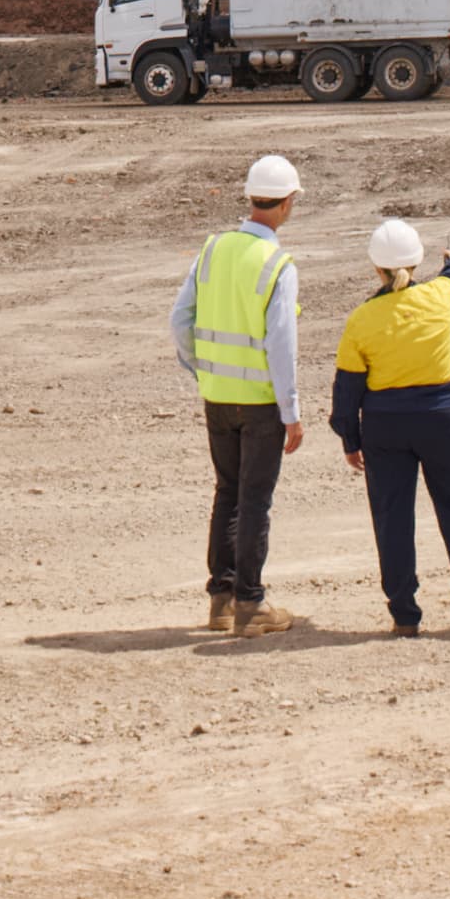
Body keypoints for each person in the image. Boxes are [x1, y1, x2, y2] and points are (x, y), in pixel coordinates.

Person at [331, 218, 450, 638]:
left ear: (376, 268)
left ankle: (404, 616)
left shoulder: (361, 320)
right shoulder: (441, 297)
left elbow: (347, 387)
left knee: (392, 518)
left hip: (384, 426)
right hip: (443, 420)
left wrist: (350, 438)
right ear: (417, 261)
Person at [170, 154, 306, 636]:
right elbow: (281, 344)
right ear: (287, 204)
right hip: (261, 403)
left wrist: (201, 369)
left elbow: (179, 320)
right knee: (254, 500)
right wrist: (291, 411)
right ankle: (251, 602)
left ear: (251, 198)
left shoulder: (213, 249)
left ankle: (221, 600)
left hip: (217, 396)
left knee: (227, 492)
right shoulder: (277, 264)